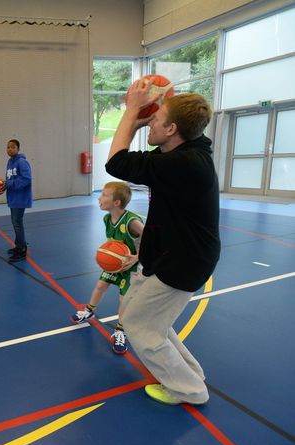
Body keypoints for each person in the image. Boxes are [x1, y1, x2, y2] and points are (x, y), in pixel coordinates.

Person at [105, 80, 220, 405]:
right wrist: (149, 116)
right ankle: (190, 373)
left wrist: (130, 112)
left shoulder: (186, 163)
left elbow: (116, 163)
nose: (149, 119)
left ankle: (190, 391)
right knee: (137, 313)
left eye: (157, 117)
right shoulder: (187, 147)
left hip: (184, 261)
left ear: (172, 129)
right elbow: (175, 133)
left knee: (142, 327)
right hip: (165, 253)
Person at [71, 181, 144, 355]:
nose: (100, 197)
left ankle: (120, 330)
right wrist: (107, 255)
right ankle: (89, 311)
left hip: (129, 267)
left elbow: (153, 238)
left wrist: (137, 257)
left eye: (104, 194)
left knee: (122, 300)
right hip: (115, 265)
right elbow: (114, 242)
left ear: (116, 202)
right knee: (100, 286)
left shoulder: (131, 221)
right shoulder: (107, 218)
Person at [4, 139, 33, 262]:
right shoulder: (10, 162)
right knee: (16, 223)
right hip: (13, 198)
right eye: (8, 147)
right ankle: (18, 246)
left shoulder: (22, 162)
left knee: (17, 223)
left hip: (20, 198)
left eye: (12, 147)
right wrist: (3, 185)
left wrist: (9, 184)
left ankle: (22, 250)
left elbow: (27, 179)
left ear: (18, 149)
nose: (9, 149)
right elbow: (10, 179)